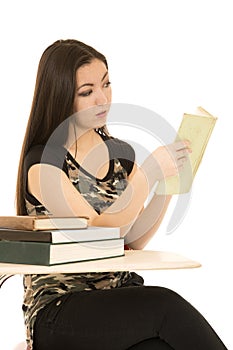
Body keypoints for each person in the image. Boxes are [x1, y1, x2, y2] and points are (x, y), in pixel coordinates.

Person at [15, 39, 227, 350]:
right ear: (62, 98)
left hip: (116, 301)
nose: (102, 98)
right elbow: (99, 233)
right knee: (165, 305)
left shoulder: (119, 155)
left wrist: (167, 185)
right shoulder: (44, 163)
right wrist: (148, 173)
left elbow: (132, 238)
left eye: (106, 84)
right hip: (62, 308)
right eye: (87, 92)